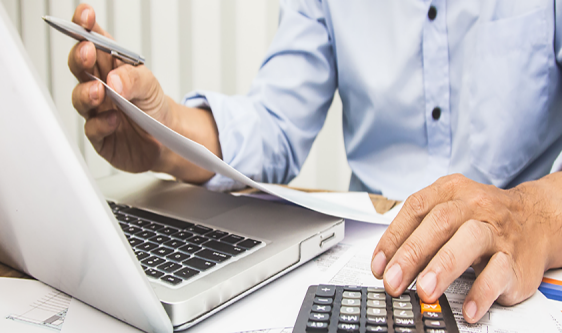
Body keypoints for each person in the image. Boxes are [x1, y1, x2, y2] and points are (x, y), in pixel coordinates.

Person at [67, 1, 562, 324]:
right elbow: (276, 126)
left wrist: (530, 213)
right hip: (375, 259)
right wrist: (164, 134)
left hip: (521, 262)